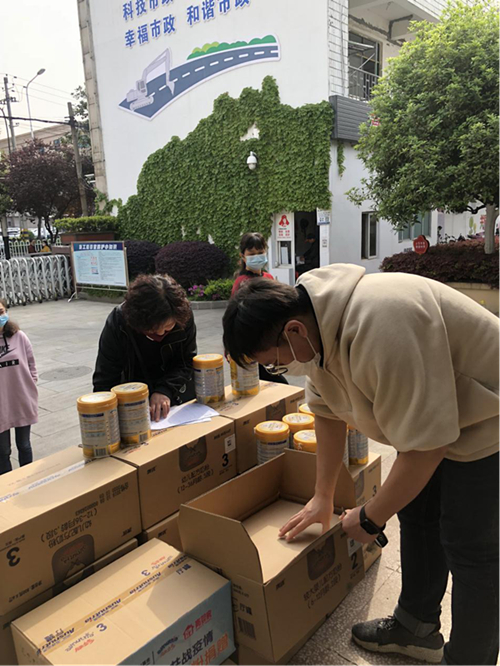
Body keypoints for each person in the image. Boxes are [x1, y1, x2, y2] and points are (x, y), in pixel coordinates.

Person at [223, 264, 499, 666]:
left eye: (275, 363)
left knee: (470, 548)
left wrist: (370, 517)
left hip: (488, 419)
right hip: (441, 419)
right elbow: (327, 414)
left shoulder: (383, 323)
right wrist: (322, 496)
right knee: (417, 515)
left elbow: (426, 448)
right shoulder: (316, 332)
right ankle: (416, 628)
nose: (279, 371)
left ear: (293, 331)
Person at [93, 274, 197, 421]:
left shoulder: (181, 315)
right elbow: (105, 378)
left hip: (175, 399)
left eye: (168, 327)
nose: (160, 333)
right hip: (131, 403)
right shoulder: (119, 323)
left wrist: (165, 390)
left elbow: (187, 361)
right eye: (152, 329)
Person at [231, 232, 287, 385]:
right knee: (274, 384)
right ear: (243, 256)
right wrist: (231, 348)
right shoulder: (242, 282)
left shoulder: (268, 278)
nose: (257, 256)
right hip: (251, 345)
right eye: (251, 254)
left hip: (269, 341)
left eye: (260, 252)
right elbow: (233, 317)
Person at [0, 299, 38, 474]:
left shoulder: (19, 336)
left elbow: (31, 362)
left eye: (1, 312)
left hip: (21, 397)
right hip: (1, 403)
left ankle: (28, 480)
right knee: (3, 451)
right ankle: (8, 484)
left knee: (24, 444)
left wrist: (31, 381)